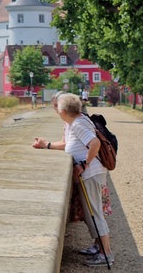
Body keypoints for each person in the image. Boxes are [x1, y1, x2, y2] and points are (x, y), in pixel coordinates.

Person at [33, 92, 114, 267]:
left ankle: (106, 254)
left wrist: (84, 164)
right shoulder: (73, 122)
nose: (55, 110)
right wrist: (46, 145)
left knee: (95, 214)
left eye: (56, 107)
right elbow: (70, 144)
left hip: (91, 174)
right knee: (91, 212)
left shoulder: (77, 124)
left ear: (63, 110)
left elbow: (95, 144)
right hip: (90, 174)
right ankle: (99, 248)